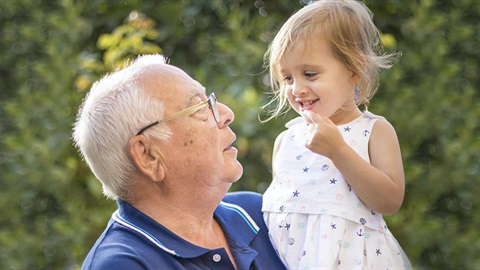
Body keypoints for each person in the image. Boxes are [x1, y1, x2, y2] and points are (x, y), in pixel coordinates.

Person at [73, 54, 286, 270]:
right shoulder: (122, 264)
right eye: (199, 108)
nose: (226, 113)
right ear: (148, 156)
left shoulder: (259, 213)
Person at [261, 0, 412, 269]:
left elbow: (389, 201)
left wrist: (338, 151)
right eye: (287, 78)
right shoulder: (286, 141)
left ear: (355, 70)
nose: (297, 89)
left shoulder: (373, 131)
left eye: (309, 73)